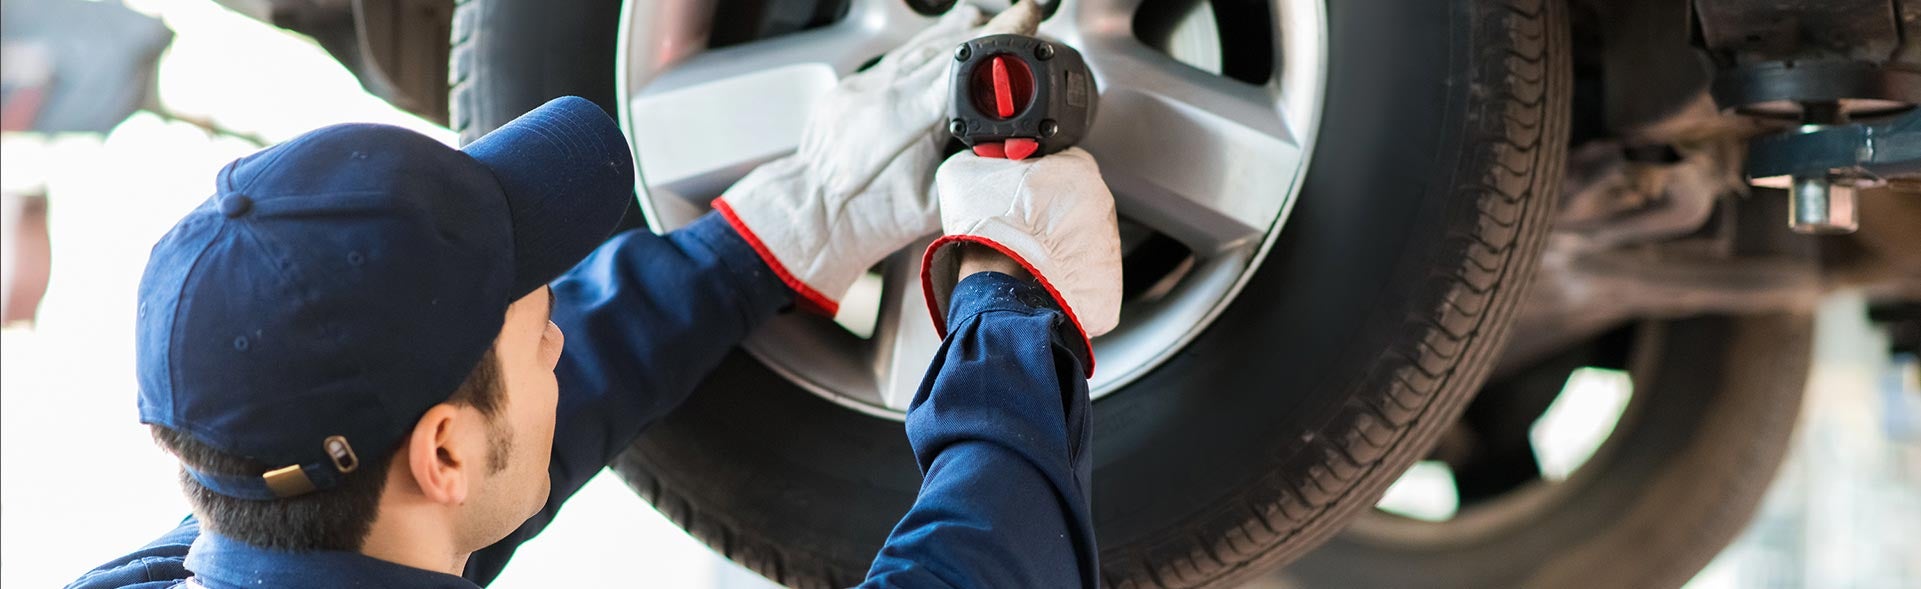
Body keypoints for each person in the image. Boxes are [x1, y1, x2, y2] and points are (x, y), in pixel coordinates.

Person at [67, 2, 1122, 588]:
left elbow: (501, 436)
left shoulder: (245, 537)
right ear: (440, 454)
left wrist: (773, 231)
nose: (561, 339)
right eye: (538, 324)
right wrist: (1013, 306)